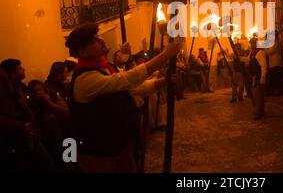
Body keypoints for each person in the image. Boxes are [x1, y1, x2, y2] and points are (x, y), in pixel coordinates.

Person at [65, 23, 179, 172]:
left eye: (98, 37)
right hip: (98, 152)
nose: (101, 41)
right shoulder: (85, 79)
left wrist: (163, 82)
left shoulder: (105, 67)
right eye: (94, 40)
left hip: (119, 144)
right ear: (83, 52)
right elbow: (127, 79)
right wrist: (164, 55)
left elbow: (131, 88)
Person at [0, 66, 54, 172]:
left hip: (27, 129)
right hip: (14, 133)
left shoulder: (22, 87)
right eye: (19, 68)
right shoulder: (14, 90)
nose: (24, 69)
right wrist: (20, 126)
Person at [241, 37, 267, 120]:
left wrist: (263, 77)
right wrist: (240, 58)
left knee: (257, 95)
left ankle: (257, 112)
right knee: (257, 94)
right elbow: (248, 60)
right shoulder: (252, 52)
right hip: (253, 76)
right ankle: (261, 111)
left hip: (258, 76)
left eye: (253, 43)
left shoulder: (260, 52)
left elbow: (263, 66)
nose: (252, 45)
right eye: (251, 43)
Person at [265, 30, 283, 96]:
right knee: (274, 78)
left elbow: (269, 52)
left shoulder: (276, 43)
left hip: (277, 63)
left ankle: (279, 91)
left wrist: (265, 48)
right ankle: (274, 91)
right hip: (273, 64)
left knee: (277, 78)